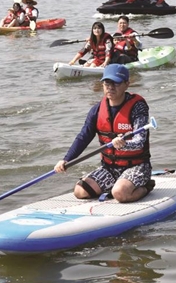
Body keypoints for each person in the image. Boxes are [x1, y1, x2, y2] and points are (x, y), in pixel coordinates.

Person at [54, 64, 155, 203]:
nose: (110, 87)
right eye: (107, 82)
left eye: (116, 83)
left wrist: (123, 145)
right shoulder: (97, 110)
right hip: (110, 168)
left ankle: (146, 187)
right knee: (80, 191)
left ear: (127, 84)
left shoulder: (138, 108)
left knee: (120, 193)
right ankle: (117, 184)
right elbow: (83, 137)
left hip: (137, 166)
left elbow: (139, 142)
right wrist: (66, 159)